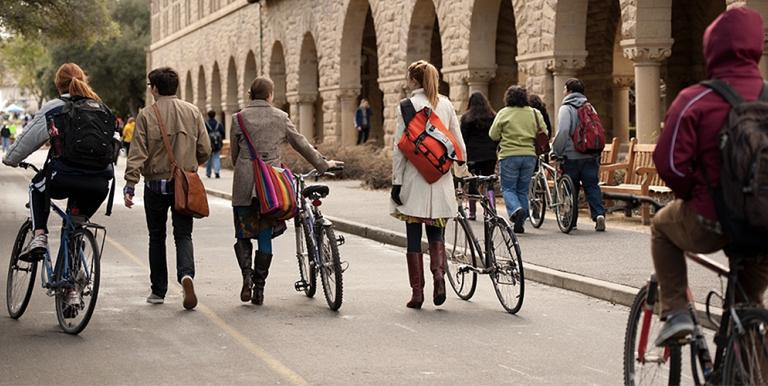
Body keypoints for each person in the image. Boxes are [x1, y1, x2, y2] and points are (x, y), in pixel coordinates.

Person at [651, 7, 768, 346]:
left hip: (711, 219)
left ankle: (676, 312)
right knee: (748, 312)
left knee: (661, 228)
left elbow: (669, 162)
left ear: (711, 48)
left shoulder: (695, 98)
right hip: (763, 222)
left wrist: (690, 193)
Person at [2, 63, 116, 308]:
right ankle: (73, 289)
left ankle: (39, 236)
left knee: (36, 187)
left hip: (64, 176)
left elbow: (26, 141)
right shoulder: (101, 108)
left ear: (58, 84)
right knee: (74, 226)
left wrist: (10, 159)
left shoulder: (55, 107)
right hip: (99, 183)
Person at [231, 76, 343, 305]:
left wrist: (244, 168)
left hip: (244, 184)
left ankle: (246, 278)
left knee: (243, 234)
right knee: (264, 234)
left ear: (250, 94)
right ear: (270, 95)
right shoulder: (280, 118)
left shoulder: (238, 118)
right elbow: (301, 144)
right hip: (270, 187)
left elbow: (234, 155)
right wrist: (323, 164)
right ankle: (259, 289)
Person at [123, 67, 211, 310]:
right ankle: (186, 276)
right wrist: (190, 165)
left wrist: (130, 184)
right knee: (183, 234)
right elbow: (205, 148)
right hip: (183, 184)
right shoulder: (192, 111)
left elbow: (137, 152)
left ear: (155, 89)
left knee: (156, 236)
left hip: (155, 186)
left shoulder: (146, 115)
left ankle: (158, 291)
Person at [392, 60, 466, 309]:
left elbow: (399, 148)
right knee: (437, 232)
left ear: (413, 80)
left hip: (415, 179)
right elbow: (458, 141)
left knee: (413, 235)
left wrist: (396, 182)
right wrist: (461, 172)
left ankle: (418, 293)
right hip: (441, 177)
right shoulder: (445, 104)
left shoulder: (406, 106)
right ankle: (439, 278)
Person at [489, 85, 546, 234]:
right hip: (530, 156)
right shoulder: (534, 113)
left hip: (509, 155)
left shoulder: (503, 113)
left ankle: (516, 210)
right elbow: (544, 132)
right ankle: (522, 216)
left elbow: (493, 134)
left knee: (508, 188)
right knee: (522, 189)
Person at [552, 78, 607, 232]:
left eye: (564, 89)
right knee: (592, 185)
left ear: (568, 90)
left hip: (572, 156)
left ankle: (570, 220)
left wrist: (556, 151)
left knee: (571, 188)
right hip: (590, 155)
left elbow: (563, 131)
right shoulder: (589, 107)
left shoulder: (566, 108)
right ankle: (599, 215)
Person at [460, 91, 497, 220]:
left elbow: (463, 138)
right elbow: (496, 135)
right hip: (489, 154)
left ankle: (472, 212)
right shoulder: (492, 116)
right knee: (489, 182)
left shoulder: (466, 118)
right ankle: (492, 209)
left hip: (473, 155)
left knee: (473, 183)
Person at [205, 110, 225, 178]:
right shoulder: (218, 124)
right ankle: (217, 172)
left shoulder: (206, 124)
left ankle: (208, 173)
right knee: (216, 157)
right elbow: (222, 132)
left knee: (209, 158)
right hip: (217, 143)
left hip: (209, 143)